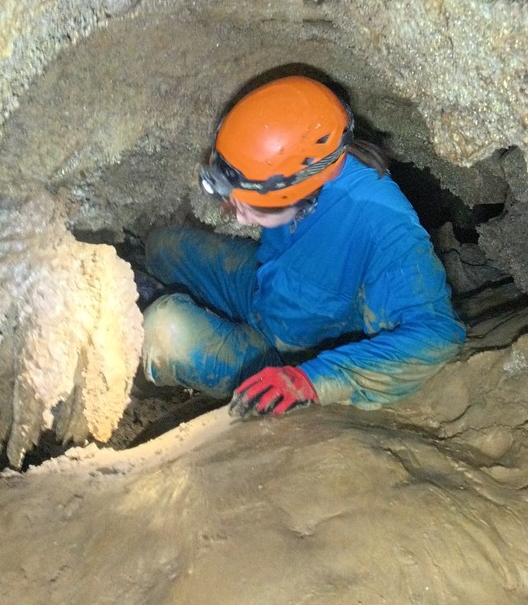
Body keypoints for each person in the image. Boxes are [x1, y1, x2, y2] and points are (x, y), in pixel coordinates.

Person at [139, 75, 466, 415]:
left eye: (254, 209)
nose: (242, 219)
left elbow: (438, 335)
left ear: (298, 192)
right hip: (266, 289)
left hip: (287, 353)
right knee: (163, 245)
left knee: (164, 330)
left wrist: (311, 379)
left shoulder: (381, 222)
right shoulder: (306, 156)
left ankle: (147, 381)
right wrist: (245, 198)